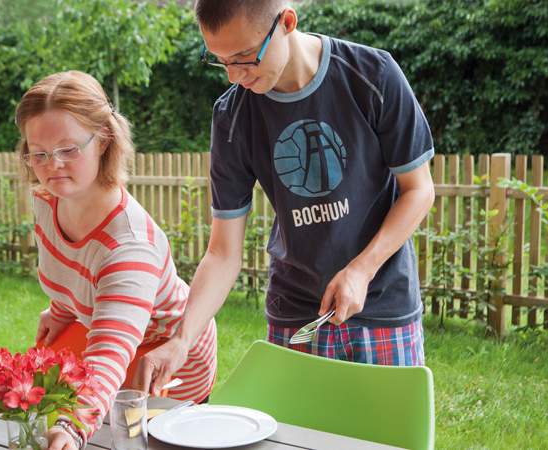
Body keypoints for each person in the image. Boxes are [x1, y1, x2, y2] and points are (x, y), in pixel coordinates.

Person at [133, 0, 436, 396]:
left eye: (245, 58)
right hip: (295, 311)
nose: (234, 76)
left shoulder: (372, 75)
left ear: (287, 22)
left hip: (383, 305)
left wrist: (362, 270)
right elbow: (223, 252)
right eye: (221, 61)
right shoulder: (233, 117)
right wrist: (182, 339)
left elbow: (419, 191)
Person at [16, 70, 217, 450]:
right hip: (106, 335)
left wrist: (73, 427)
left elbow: (108, 357)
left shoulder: (129, 246)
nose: (52, 164)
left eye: (68, 149)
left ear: (103, 140)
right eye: (38, 153)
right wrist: (60, 310)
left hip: (161, 363)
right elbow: (74, 269)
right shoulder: (47, 199)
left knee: (125, 440)